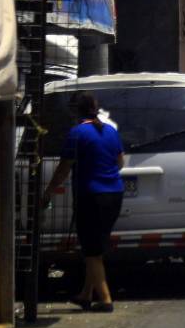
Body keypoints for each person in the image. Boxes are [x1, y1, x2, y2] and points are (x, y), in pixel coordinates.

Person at [43, 92, 125, 312]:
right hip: (115, 194)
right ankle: (86, 294)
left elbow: (63, 168)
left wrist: (49, 191)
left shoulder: (77, 134)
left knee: (91, 250)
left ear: (75, 111)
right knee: (96, 246)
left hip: (91, 196)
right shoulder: (110, 131)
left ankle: (105, 299)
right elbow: (120, 163)